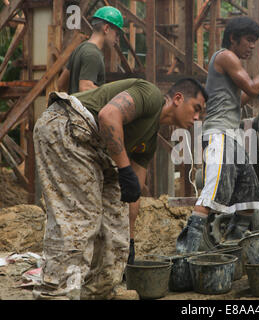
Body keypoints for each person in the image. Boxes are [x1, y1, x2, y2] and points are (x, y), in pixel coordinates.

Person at [32, 78, 207, 299]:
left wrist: (130, 240)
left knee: (115, 230)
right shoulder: (151, 95)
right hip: (68, 125)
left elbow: (131, 195)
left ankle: (98, 292)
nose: (197, 118)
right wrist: (124, 169)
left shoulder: (149, 140)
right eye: (196, 109)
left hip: (96, 148)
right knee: (79, 220)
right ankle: (56, 294)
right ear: (178, 99)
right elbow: (108, 116)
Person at [175, 16, 259, 254]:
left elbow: (239, 99)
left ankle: (231, 246)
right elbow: (252, 87)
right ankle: (187, 255)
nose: (252, 46)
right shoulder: (225, 56)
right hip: (219, 135)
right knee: (211, 196)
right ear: (233, 38)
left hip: (232, 137)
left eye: (254, 42)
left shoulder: (231, 63)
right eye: (249, 40)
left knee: (250, 197)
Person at [56, 6, 124, 94]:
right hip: (86, 107)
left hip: (74, 107)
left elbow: (61, 83)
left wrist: (74, 96)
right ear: (106, 28)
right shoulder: (93, 54)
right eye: (117, 34)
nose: (117, 39)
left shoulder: (80, 48)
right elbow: (85, 87)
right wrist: (112, 96)